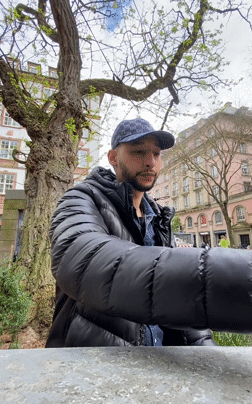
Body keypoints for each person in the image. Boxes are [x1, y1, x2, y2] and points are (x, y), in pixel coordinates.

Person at [46, 118, 252, 348]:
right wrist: (236, 277)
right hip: (96, 363)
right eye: (138, 152)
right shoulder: (79, 200)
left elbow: (180, 306)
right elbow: (85, 261)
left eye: (156, 154)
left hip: (159, 363)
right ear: (113, 157)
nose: (150, 162)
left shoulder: (159, 217)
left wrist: (205, 351)